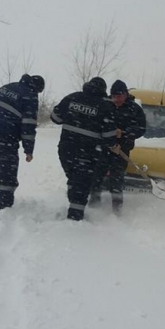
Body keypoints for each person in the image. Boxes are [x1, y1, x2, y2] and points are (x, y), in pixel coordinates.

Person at [51, 77, 118, 221]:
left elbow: (55, 118)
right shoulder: (104, 106)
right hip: (88, 152)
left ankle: (73, 205)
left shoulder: (72, 98)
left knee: (73, 178)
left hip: (66, 149)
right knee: (82, 183)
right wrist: (113, 145)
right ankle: (75, 220)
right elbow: (109, 135)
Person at [0, 73, 45, 209]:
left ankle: (2, 195)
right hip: (6, 137)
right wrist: (28, 150)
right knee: (8, 171)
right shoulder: (30, 96)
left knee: (1, 164)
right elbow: (28, 125)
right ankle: (5, 207)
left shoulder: (6, 87)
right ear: (37, 88)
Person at [89, 80, 146, 212]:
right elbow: (96, 124)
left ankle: (117, 210)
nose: (116, 99)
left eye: (119, 96)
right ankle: (94, 207)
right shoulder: (104, 105)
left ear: (126, 94)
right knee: (96, 179)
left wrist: (125, 133)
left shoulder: (134, 109)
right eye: (114, 96)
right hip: (102, 149)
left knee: (116, 181)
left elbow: (141, 129)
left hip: (121, 151)